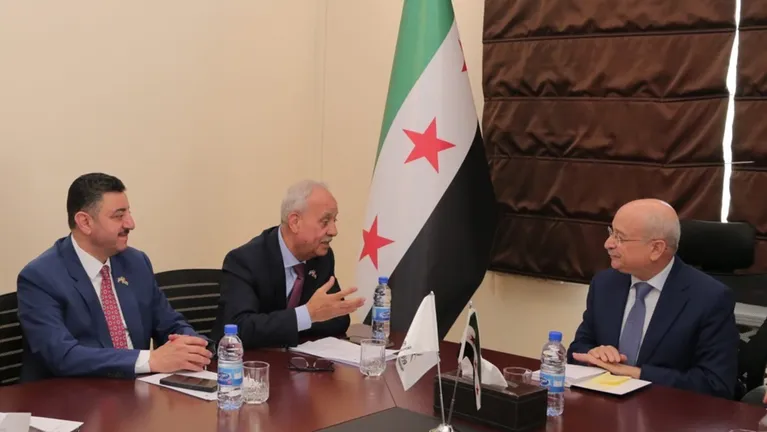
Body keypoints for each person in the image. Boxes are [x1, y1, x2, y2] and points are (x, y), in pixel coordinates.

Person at [17, 173, 212, 382]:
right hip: (72, 394)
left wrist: (192, 346)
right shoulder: (40, 277)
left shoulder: (135, 262)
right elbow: (62, 355)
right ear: (85, 222)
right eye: (119, 216)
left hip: (135, 391)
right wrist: (150, 360)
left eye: (128, 212)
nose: (131, 223)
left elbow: (169, 323)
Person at [567, 199, 739, 399]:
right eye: (611, 232)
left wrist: (638, 374)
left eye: (620, 238)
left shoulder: (710, 298)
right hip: (605, 404)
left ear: (656, 249)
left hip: (668, 410)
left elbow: (716, 384)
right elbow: (577, 350)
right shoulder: (605, 284)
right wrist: (595, 354)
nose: (608, 244)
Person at [212, 180, 365, 348]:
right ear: (295, 222)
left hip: (294, 359)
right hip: (246, 361)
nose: (334, 231)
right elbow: (239, 329)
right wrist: (306, 315)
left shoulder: (321, 257)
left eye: (334, 220)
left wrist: (297, 321)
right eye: (325, 221)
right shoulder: (245, 260)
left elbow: (337, 319)